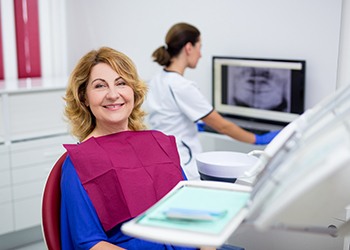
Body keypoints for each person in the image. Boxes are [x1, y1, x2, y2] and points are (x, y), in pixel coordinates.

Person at [60, 46, 201, 249]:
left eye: (121, 83)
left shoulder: (159, 143)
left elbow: (191, 212)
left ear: (133, 91)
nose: (113, 94)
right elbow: (89, 242)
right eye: (100, 86)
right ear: (84, 98)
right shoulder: (79, 162)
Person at [145, 23, 279, 180]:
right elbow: (223, 126)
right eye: (199, 47)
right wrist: (258, 139)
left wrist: (191, 125)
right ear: (189, 48)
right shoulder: (182, 87)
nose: (200, 54)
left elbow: (167, 117)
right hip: (183, 164)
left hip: (164, 161)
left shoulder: (157, 78)